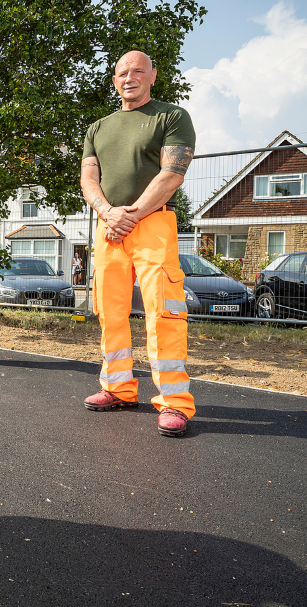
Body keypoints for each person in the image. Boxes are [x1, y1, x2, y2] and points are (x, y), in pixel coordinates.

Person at [79, 51, 196, 437]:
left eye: (137, 71)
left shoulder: (172, 116)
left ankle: (174, 404)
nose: (129, 77)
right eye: (122, 72)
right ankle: (118, 388)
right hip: (108, 226)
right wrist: (108, 212)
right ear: (114, 80)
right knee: (110, 312)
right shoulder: (97, 127)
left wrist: (131, 213)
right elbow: (88, 179)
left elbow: (172, 172)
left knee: (163, 312)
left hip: (152, 224)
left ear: (153, 76)